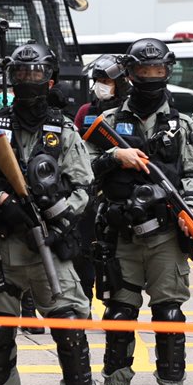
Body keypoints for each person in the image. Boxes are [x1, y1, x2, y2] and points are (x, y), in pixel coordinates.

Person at [0, 43, 104, 385]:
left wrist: (61, 216)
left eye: (36, 74)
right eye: (22, 75)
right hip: (1, 245)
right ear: (12, 79)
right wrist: (1, 202)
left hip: (49, 244)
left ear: (51, 79)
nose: (29, 82)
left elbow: (83, 186)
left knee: (71, 329)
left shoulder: (64, 130)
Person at [86, 40, 193, 385]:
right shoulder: (109, 121)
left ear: (168, 71)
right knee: (120, 313)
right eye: (143, 72)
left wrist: (191, 207)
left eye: (158, 71)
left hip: (166, 234)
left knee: (169, 315)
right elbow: (82, 169)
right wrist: (113, 156)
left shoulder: (182, 124)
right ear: (130, 74)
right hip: (121, 232)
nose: (151, 78)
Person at [73, 54, 130, 303]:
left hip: (118, 190)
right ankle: (83, 300)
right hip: (89, 190)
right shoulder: (86, 111)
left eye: (106, 80)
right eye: (97, 80)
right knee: (83, 250)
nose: (101, 85)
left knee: (114, 253)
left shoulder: (128, 112)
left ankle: (113, 302)